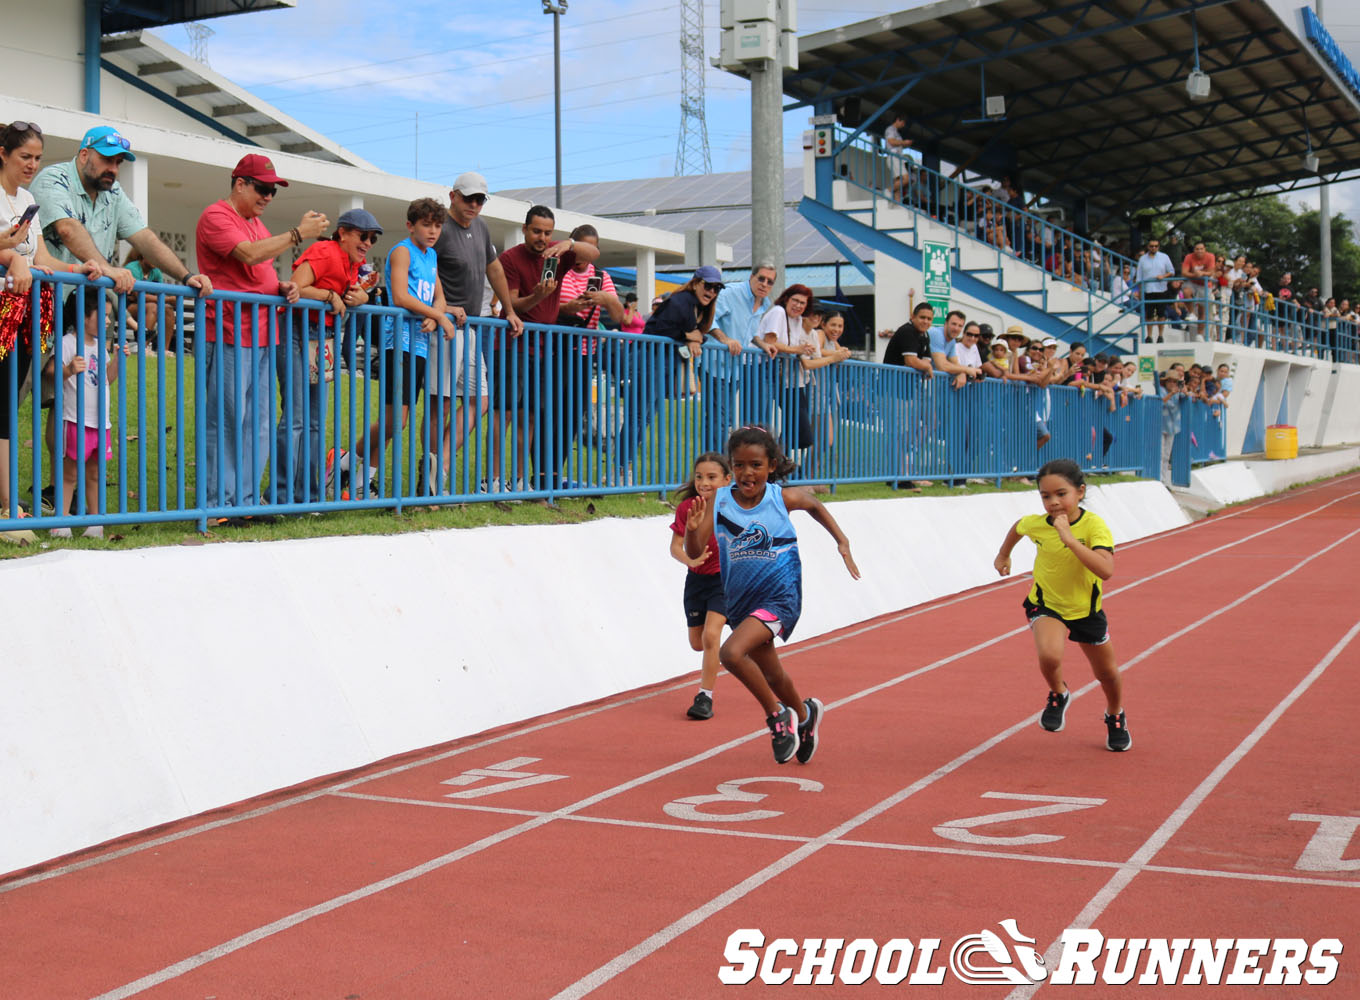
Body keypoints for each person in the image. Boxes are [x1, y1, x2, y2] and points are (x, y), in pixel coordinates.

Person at [684, 424, 859, 764]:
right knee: (773, 674)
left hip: (780, 596)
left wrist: (842, 540)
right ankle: (805, 717)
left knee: (731, 653)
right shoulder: (718, 501)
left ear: (772, 467)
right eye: (739, 465)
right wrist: (692, 531)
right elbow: (696, 549)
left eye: (755, 466)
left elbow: (814, 504)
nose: (747, 473)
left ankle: (777, 717)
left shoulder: (781, 498)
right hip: (741, 601)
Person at [195, 153, 326, 518]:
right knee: (226, 418)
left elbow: (259, 272)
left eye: (273, 191)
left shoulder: (257, 224)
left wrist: (282, 286)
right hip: (227, 331)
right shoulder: (216, 215)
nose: (268, 196)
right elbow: (249, 256)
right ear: (240, 184)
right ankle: (218, 502)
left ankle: (246, 502)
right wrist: (298, 234)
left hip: (264, 333)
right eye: (263, 188)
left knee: (259, 421)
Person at [0, 120, 102, 541]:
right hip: (5, 313)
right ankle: (8, 508)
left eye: (39, 158)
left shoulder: (26, 198)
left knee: (6, 409)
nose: (33, 165)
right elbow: (17, 255)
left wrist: (78, 267)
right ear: (3, 154)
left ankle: (8, 508)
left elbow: (41, 256)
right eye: (26, 156)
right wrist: (12, 257)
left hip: (19, 318)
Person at [993, 458, 1130, 752]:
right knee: (1050, 656)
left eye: (1061, 494)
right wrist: (1004, 555)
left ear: (1080, 492)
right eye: (1045, 496)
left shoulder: (1094, 526)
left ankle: (1115, 714)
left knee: (1107, 674)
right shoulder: (1038, 524)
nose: (1053, 502)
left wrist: (1069, 539)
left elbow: (1106, 570)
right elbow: (1019, 527)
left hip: (1085, 610)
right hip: (1047, 604)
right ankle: (1058, 692)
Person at [340, 198, 454, 497]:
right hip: (398, 342)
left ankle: (363, 482)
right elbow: (401, 297)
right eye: (426, 224)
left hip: (419, 345)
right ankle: (343, 461)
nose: (432, 231)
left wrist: (436, 313)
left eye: (437, 225)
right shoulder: (403, 251)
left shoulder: (431, 256)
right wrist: (436, 315)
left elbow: (439, 296)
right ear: (410, 225)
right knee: (396, 421)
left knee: (394, 423)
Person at [428, 172, 522, 494]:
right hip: (442, 327)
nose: (474, 205)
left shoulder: (481, 228)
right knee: (439, 404)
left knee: (480, 400)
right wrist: (440, 307)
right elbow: (424, 266)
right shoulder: (438, 227)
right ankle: (430, 478)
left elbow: (493, 268)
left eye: (480, 199)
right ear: (452, 196)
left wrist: (508, 310)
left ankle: (436, 464)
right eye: (469, 198)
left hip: (471, 326)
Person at [495, 205, 598, 490]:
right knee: (504, 413)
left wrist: (570, 243)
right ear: (525, 229)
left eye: (548, 232)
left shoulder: (558, 252)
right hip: (513, 344)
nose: (542, 238)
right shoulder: (510, 258)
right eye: (537, 231)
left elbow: (593, 255)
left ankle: (518, 480)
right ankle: (492, 478)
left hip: (544, 349)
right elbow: (511, 303)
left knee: (530, 415)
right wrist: (536, 297)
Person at [291, 208, 379, 501]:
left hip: (323, 336)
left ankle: (309, 491)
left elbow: (365, 287)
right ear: (341, 233)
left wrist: (363, 296)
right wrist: (330, 297)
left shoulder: (353, 262)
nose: (367, 243)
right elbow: (297, 286)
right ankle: (282, 492)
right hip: (299, 331)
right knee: (296, 418)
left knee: (315, 419)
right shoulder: (325, 251)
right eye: (361, 236)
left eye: (372, 239)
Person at [620, 266, 721, 479]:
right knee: (638, 415)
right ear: (696, 283)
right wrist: (692, 337)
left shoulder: (697, 307)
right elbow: (683, 330)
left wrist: (695, 338)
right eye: (708, 285)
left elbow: (695, 333)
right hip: (649, 357)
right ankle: (620, 469)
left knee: (645, 416)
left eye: (716, 288)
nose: (712, 291)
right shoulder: (682, 301)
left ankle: (622, 468)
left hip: (664, 359)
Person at [47, 294, 131, 539]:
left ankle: (95, 523)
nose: (107, 320)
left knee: (95, 473)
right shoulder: (67, 343)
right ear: (84, 317)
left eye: (108, 315)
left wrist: (118, 360)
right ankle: (60, 523)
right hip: (75, 420)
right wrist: (69, 369)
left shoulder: (99, 346)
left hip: (100, 423)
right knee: (69, 473)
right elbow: (51, 372)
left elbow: (106, 379)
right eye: (102, 315)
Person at [554, 223, 623, 488]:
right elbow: (547, 306)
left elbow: (619, 318)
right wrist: (569, 308)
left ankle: (555, 474)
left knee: (573, 414)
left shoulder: (601, 275)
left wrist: (607, 300)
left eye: (592, 249)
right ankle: (542, 475)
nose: (586, 255)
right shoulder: (560, 267)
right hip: (555, 349)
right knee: (550, 412)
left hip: (584, 353)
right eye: (583, 247)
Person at [669, 452, 732, 721]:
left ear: (727, 480)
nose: (704, 482)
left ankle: (704, 696)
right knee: (697, 643)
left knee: (710, 635)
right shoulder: (687, 508)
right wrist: (691, 559)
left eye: (711, 477)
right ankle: (738, 636)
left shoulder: (733, 508)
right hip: (696, 581)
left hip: (724, 580)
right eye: (699, 476)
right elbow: (674, 547)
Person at [706, 265, 779, 451]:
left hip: (735, 368)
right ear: (751, 276)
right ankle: (717, 463)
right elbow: (708, 319)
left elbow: (750, 333)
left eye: (769, 282)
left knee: (727, 418)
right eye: (761, 278)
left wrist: (763, 344)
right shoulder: (731, 293)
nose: (764, 284)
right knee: (719, 418)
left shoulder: (763, 303)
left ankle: (718, 464)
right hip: (714, 363)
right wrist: (725, 339)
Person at [758, 284, 819, 457]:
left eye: (803, 303)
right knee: (763, 422)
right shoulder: (778, 312)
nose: (798, 306)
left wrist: (802, 348)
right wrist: (798, 350)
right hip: (766, 371)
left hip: (787, 378)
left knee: (802, 433)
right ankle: (774, 460)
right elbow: (771, 342)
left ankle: (778, 460)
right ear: (786, 299)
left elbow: (792, 347)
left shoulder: (798, 320)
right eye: (795, 300)